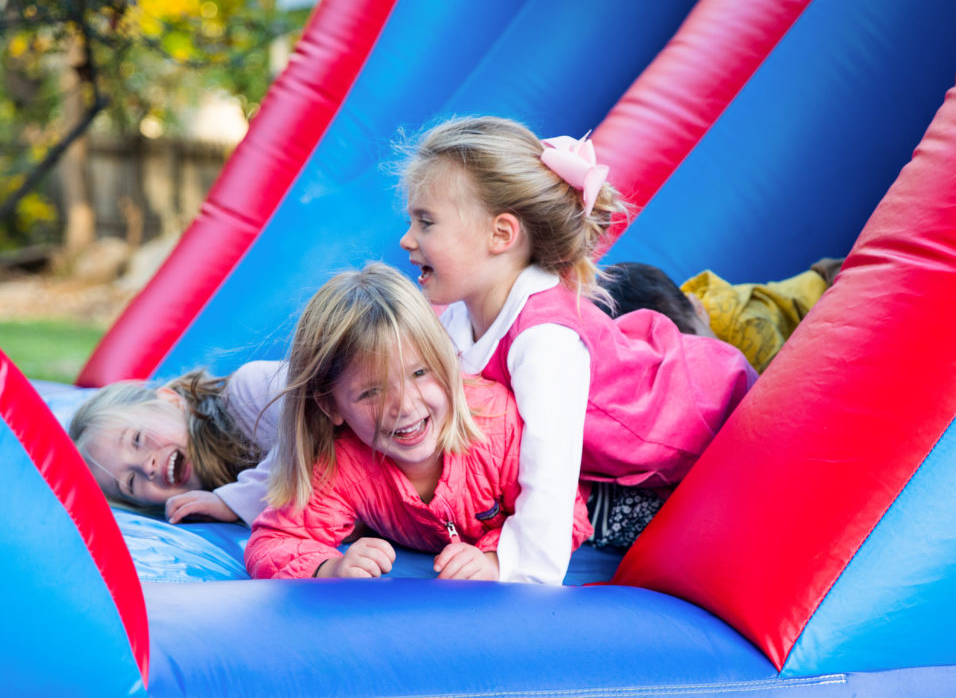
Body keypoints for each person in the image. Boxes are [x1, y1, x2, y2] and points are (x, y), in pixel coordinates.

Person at [397, 116, 758, 580]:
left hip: (708, 417)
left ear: (501, 235)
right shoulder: (464, 310)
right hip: (641, 410)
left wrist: (510, 566)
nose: (407, 239)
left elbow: (549, 477)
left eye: (425, 222)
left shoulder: (544, 340)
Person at [244, 262, 593, 580]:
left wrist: (494, 557)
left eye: (420, 373)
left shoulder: (496, 424)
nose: (405, 406)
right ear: (331, 406)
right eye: (371, 393)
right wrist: (328, 568)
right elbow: (274, 541)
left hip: (601, 487)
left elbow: (563, 513)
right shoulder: (342, 464)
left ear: (446, 362)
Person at [69, 360, 286, 525]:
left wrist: (235, 501)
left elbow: (312, 432)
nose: (147, 467)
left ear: (171, 401)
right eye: (131, 482)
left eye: (137, 440)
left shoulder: (251, 390)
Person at [598, 259, 843, 373]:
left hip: (831, 290)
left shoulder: (743, 328)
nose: (705, 357)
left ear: (699, 308)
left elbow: (785, 389)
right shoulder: (684, 320)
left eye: (701, 343)